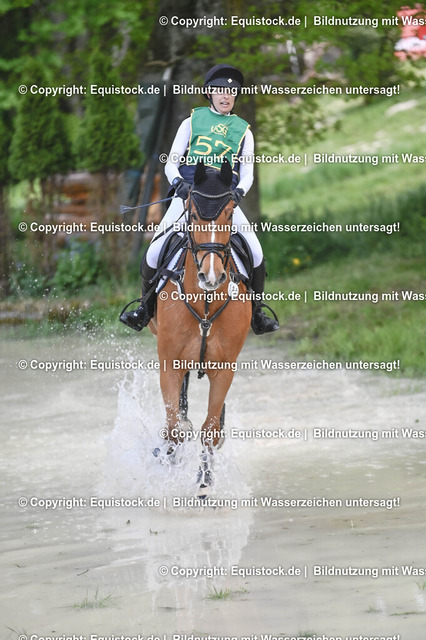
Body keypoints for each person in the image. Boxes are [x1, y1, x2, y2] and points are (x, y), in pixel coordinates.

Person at [120, 63, 279, 335]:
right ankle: (145, 308)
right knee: (155, 250)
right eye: (220, 91)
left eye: (232, 92)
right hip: (190, 196)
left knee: (255, 252)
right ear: (209, 93)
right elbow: (171, 163)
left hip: (224, 200)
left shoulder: (244, 131)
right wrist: (179, 185)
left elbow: (247, 174)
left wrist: (239, 192)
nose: (226, 96)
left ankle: (257, 313)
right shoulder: (191, 122)